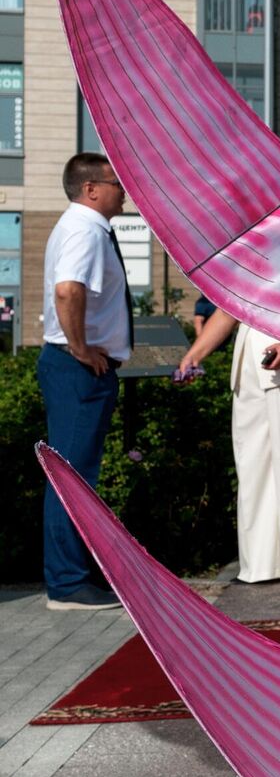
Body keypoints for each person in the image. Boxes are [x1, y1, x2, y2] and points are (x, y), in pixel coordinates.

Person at [178, 308, 280, 583]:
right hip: (249, 365)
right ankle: (262, 563)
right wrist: (193, 356)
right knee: (253, 466)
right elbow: (228, 309)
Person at [38, 152, 130, 611]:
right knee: (70, 478)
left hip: (77, 368)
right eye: (116, 182)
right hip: (77, 369)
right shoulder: (85, 229)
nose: (124, 190)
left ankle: (72, 576)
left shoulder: (86, 227)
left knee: (74, 475)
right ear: (91, 189)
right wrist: (80, 348)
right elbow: (67, 290)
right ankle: (67, 584)